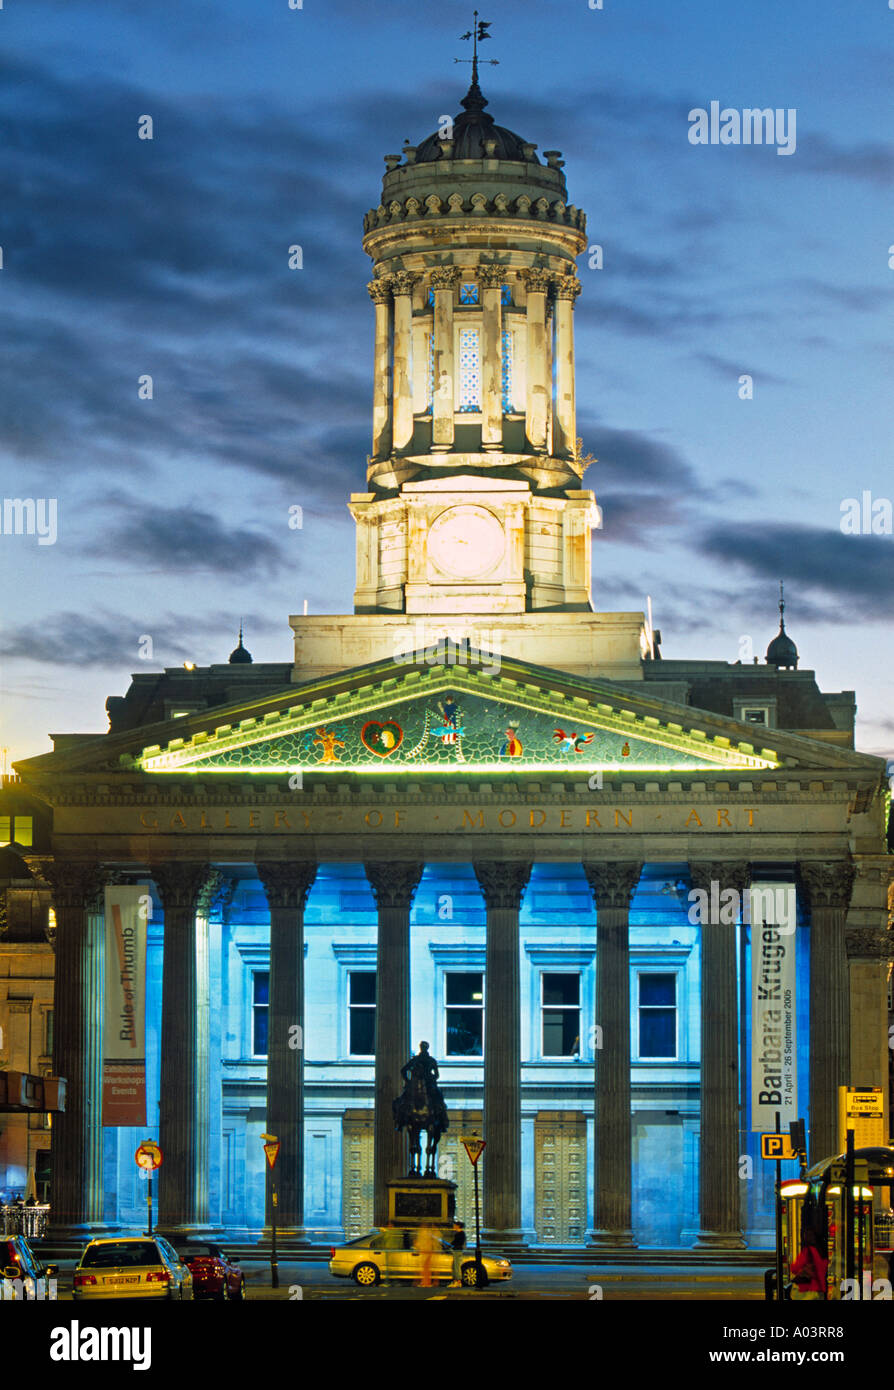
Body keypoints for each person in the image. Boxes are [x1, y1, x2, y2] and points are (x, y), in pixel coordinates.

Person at [790, 1226, 828, 1300]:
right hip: (819, 1289)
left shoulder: (808, 1251)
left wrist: (803, 1271)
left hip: (807, 1289)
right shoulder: (822, 1251)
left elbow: (794, 1268)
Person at [414, 1222, 439, 1287]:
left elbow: (422, 1242)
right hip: (426, 1251)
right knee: (426, 1269)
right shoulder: (428, 1232)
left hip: (425, 1251)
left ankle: (425, 1283)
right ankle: (425, 1282)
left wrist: (418, 1247)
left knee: (425, 1269)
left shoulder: (424, 1232)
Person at [447, 1219, 466, 1287]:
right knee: (454, 1266)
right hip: (456, 1250)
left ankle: (458, 1281)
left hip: (457, 1251)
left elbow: (456, 1242)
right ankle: (455, 1280)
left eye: (455, 1225)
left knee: (456, 1266)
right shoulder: (459, 1233)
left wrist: (450, 1245)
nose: (453, 1226)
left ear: (458, 1226)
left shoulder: (460, 1233)